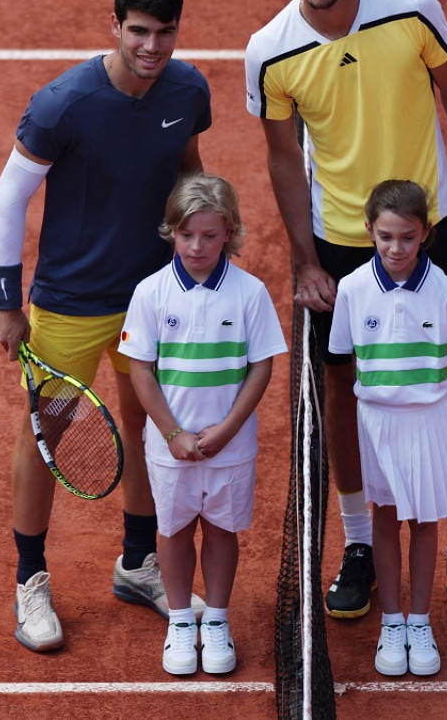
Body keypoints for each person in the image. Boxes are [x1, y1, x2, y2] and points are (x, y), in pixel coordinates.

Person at [245, 0, 447, 627]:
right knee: (344, 391)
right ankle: (360, 542)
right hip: (340, 239)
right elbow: (280, 156)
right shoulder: (270, 49)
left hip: (435, 228)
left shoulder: (412, 8)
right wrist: (304, 260)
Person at [0, 0, 210, 652]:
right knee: (47, 437)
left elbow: (188, 170)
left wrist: (205, 257)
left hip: (151, 298)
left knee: (148, 429)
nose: (151, 46)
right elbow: (8, 199)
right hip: (70, 305)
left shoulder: (187, 88)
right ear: (113, 25)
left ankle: (138, 561)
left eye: (163, 33)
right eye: (138, 31)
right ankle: (31, 580)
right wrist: (6, 301)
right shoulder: (62, 104)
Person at [118, 174, 287, 675]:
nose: (197, 246)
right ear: (171, 231)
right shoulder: (150, 293)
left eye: (210, 236)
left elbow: (262, 366)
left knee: (220, 530)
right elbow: (140, 370)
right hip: (169, 446)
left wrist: (229, 428)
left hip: (229, 446)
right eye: (187, 234)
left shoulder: (250, 293)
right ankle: (179, 621)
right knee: (171, 530)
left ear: (229, 232)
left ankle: (215, 620)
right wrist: (172, 434)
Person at [329, 180, 447, 675]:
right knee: (384, 518)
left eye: (407, 238)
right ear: (369, 230)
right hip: (378, 423)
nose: (396, 248)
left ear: (426, 234)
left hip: (430, 420)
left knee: (425, 522)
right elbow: (344, 361)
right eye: (386, 236)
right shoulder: (350, 290)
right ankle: (392, 621)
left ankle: (419, 621)